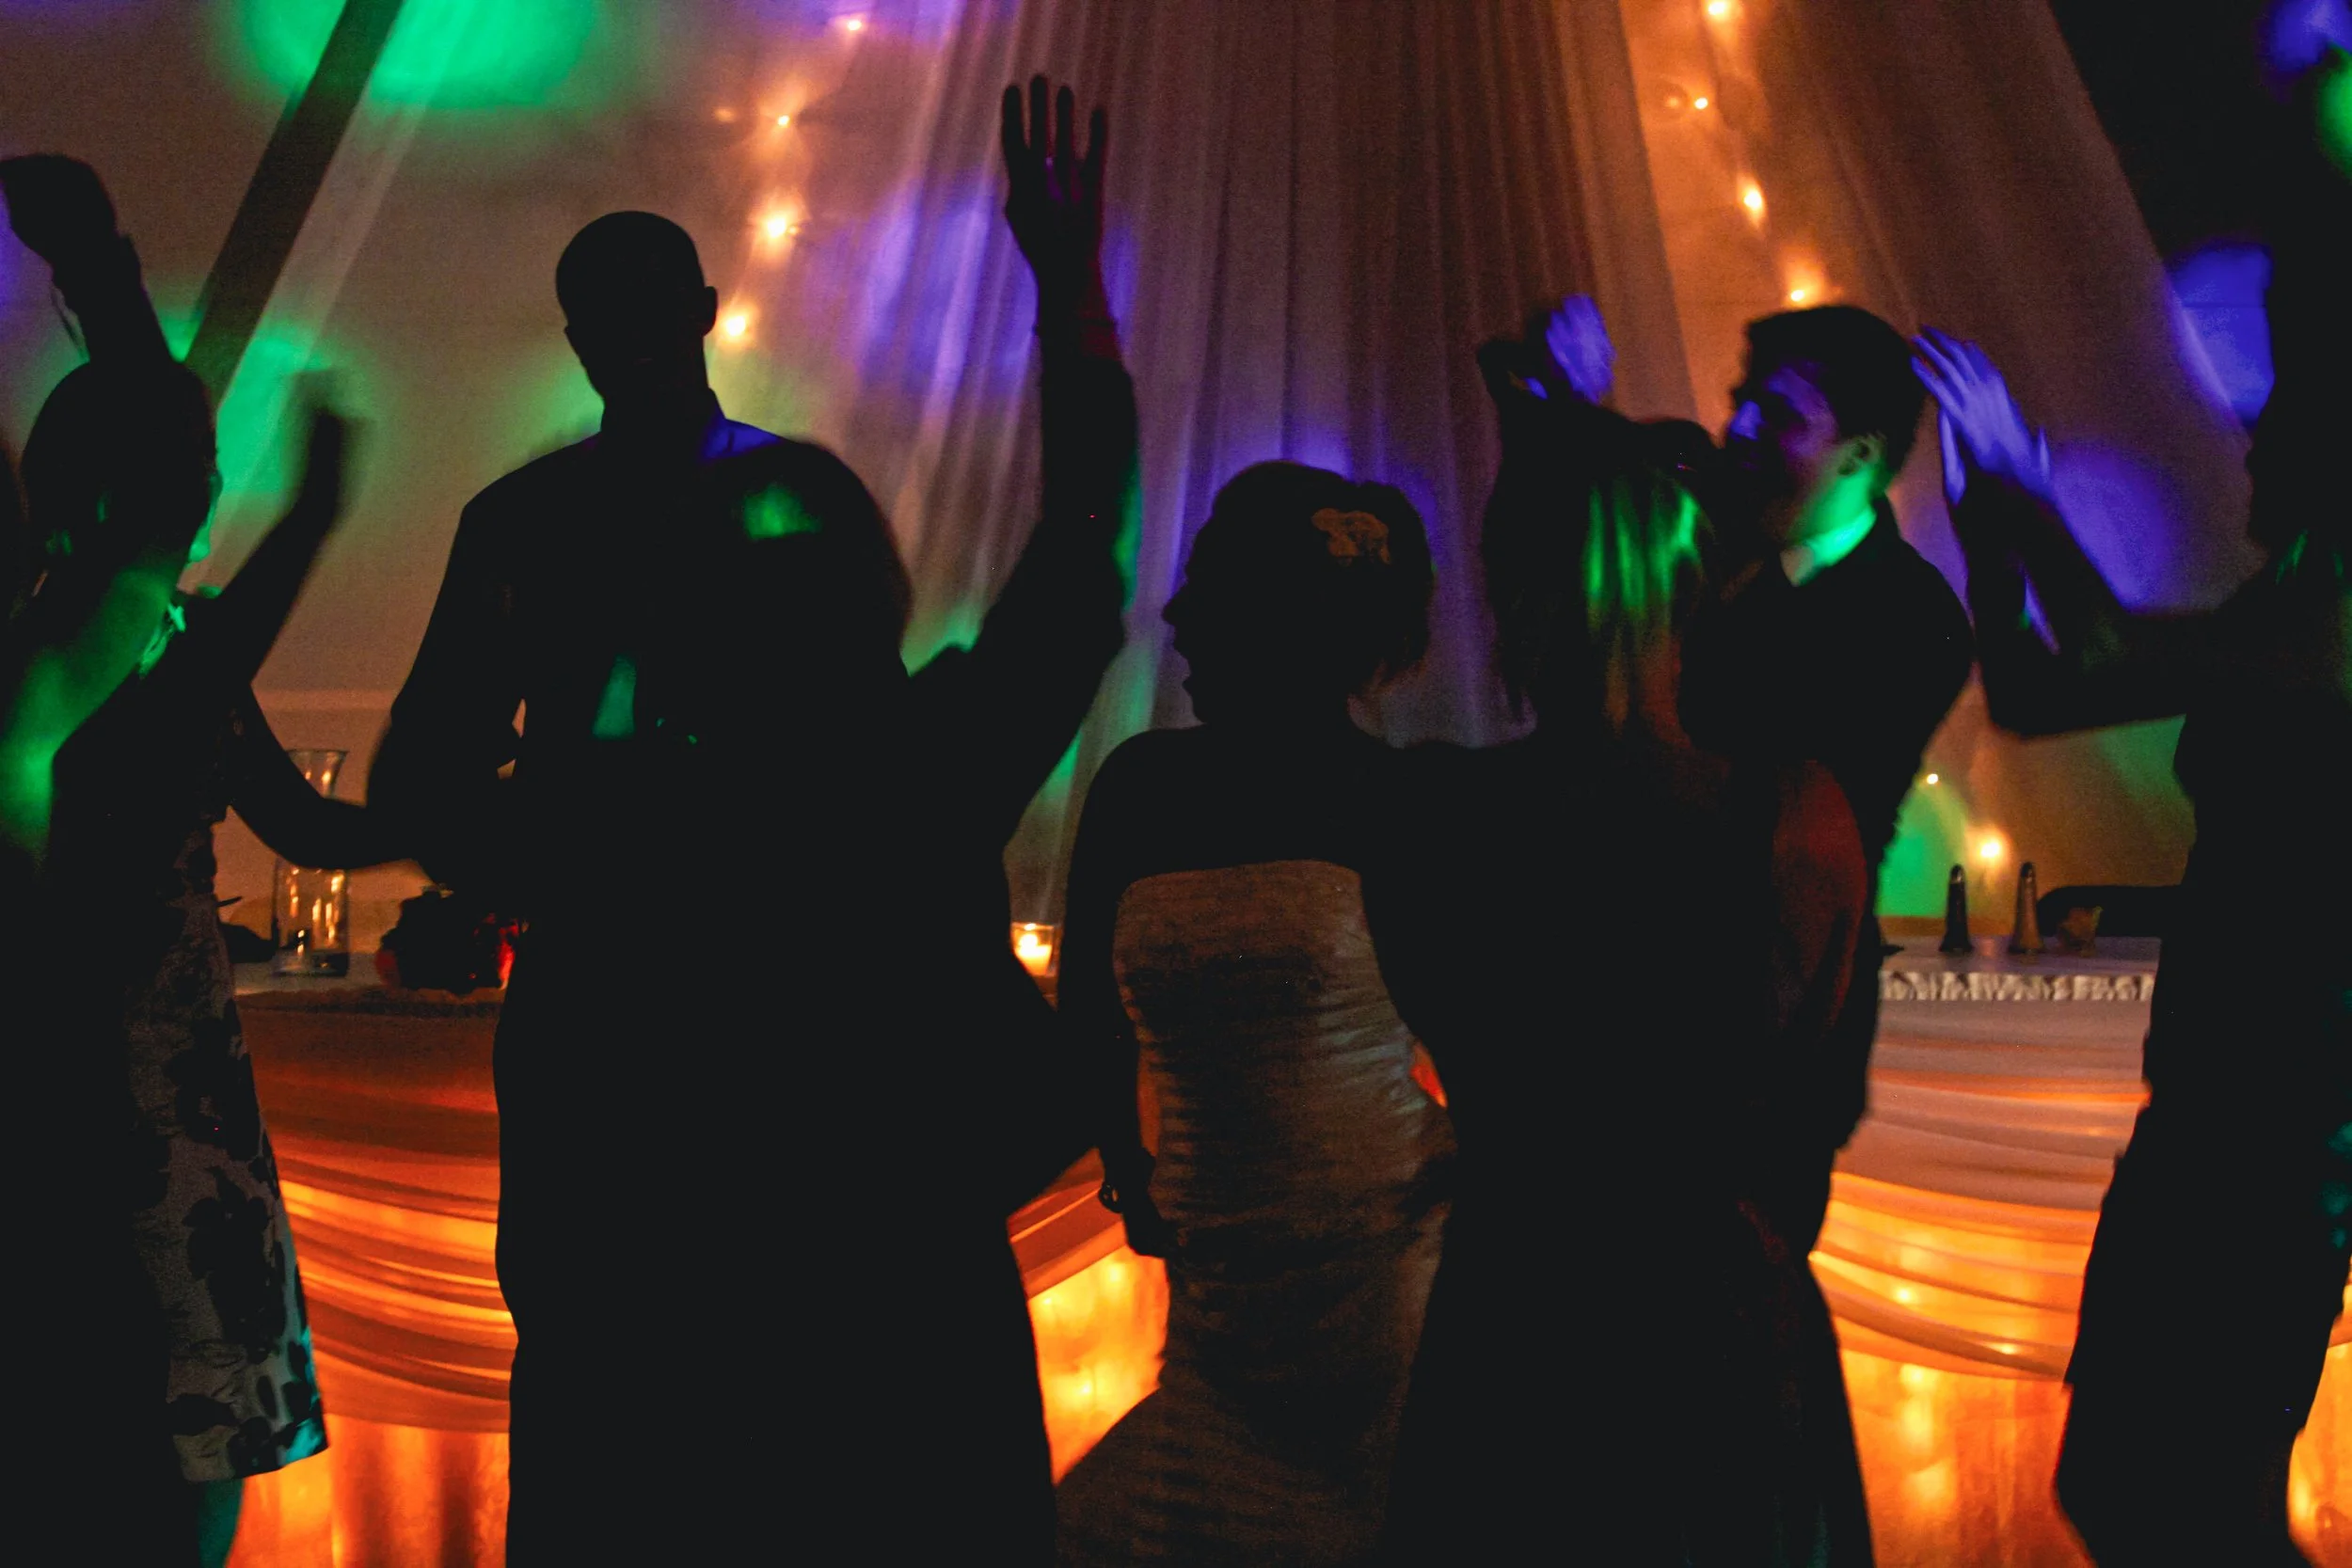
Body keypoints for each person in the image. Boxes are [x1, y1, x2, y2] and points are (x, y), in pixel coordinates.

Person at [369, 78, 1136, 1561]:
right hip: (889, 1320)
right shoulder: (923, 752)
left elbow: (426, 796)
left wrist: (505, 843)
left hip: (632, 1253)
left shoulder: (622, 813)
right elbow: (1087, 533)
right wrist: (1069, 292)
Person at [1377, 438, 1873, 1564]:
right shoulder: (1795, 811)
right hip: (1719, 1309)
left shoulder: (1427, 813)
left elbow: (1448, 1032)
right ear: (1691, 593)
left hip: (1518, 1302)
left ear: (1510, 594)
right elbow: (1804, 1044)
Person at [5, 153, 394, 1568]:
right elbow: (158, 471)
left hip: (184, 1064)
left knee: (205, 1412)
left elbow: (299, 821)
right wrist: (309, 522)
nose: (213, 483)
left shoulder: (157, 632)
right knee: (136, 1407)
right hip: (96, 1071)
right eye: (203, 476)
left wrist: (470, 823)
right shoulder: (60, 658)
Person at [1918, 322, 2348, 1565]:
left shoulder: (2334, 617)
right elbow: (2036, 692)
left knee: (2182, 1498)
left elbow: (2097, 645)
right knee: (2124, 1485)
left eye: (2283, 417)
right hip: (2215, 1114)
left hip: (2281, 1133)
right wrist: (1989, 521)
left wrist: (2020, 485)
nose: (2250, 439)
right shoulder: (2289, 602)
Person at [1500, 296, 1974, 1254]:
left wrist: (1591, 423)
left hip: (1764, 1031)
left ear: (1861, 454)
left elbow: (1760, 779)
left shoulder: (1909, 619)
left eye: (1778, 412)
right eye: (1741, 398)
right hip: (1611, 1002)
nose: (1740, 426)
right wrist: (1562, 419)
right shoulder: (1715, 537)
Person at [1052, 463, 1452, 1564]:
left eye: (1205, 589)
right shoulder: (1139, 786)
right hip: (1216, 1278)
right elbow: (1089, 1004)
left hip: (1382, 1272)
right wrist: (1125, 1163)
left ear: (1283, 619)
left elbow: (1481, 1036)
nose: (1173, 616)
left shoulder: (1395, 799)